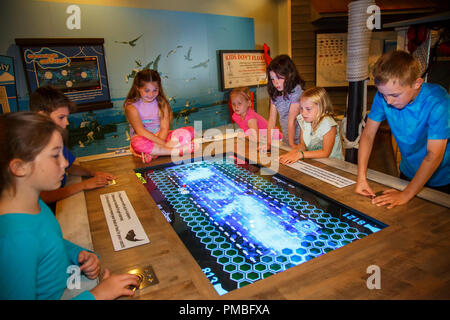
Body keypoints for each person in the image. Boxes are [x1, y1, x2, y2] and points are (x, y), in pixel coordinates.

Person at [0, 112, 139, 299]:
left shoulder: (32, 204)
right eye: (55, 155)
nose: (65, 163)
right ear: (19, 168)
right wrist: (97, 295)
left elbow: (50, 241)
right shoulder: (15, 240)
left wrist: (77, 254)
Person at [355, 50, 449, 209]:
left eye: (395, 95)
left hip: (442, 179)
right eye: (383, 94)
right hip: (408, 172)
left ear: (417, 83)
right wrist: (361, 177)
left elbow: (434, 154)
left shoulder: (438, 101)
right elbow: (368, 135)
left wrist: (406, 194)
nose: (388, 101)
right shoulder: (383, 97)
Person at [29, 86, 116, 210]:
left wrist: (92, 173)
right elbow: (44, 196)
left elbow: (69, 165)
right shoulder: (34, 148)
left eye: (67, 117)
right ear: (42, 116)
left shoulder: (55, 138)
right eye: (61, 117)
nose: (67, 123)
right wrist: (84, 185)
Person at [124, 69, 196, 163]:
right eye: (147, 90)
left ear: (159, 88)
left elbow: (164, 128)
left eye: (155, 90)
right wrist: (164, 144)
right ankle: (175, 151)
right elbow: (141, 131)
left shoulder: (162, 103)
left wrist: (162, 142)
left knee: (190, 131)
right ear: (137, 88)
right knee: (136, 142)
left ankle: (154, 154)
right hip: (144, 140)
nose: (151, 94)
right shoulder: (131, 107)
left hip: (162, 138)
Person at [279, 87, 343, 164]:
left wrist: (300, 155)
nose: (303, 113)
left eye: (308, 109)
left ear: (321, 107)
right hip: (315, 161)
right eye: (301, 108)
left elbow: (325, 153)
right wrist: (292, 153)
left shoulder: (328, 124)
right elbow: (303, 145)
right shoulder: (304, 120)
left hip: (333, 164)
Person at [266, 54, 305, 150]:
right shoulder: (275, 93)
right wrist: (268, 143)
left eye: (279, 78)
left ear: (290, 74)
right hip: (287, 139)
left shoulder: (296, 91)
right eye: (272, 79)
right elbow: (272, 119)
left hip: (301, 142)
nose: (275, 83)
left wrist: (292, 145)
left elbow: (292, 120)